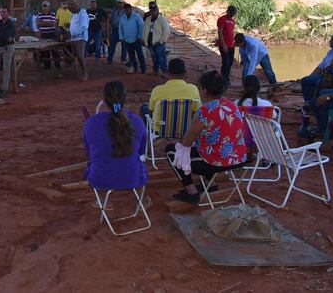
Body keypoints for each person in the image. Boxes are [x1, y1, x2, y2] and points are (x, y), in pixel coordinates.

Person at [165, 70, 248, 203]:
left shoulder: (204, 111)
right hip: (238, 157)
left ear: (203, 90)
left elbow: (186, 141)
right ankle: (210, 182)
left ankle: (191, 191)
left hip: (216, 163)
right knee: (208, 146)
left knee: (173, 150)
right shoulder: (232, 105)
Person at [82, 81, 148, 191]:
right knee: (138, 166)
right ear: (124, 98)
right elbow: (141, 152)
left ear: (105, 99)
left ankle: (105, 203)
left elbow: (90, 153)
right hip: (133, 177)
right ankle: (140, 202)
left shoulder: (91, 123)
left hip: (100, 178)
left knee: (95, 167)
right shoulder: (137, 121)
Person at [140, 58, 201, 129]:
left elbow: (151, 111)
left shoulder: (157, 90)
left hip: (160, 130)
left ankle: (147, 135)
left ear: (168, 73)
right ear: (185, 73)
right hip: (184, 129)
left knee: (144, 107)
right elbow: (197, 112)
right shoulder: (193, 89)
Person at [300, 33, 333, 107]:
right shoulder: (331, 51)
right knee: (306, 80)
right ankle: (309, 103)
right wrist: (311, 76)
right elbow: (321, 66)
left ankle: (314, 104)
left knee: (317, 82)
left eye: (332, 40)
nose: (330, 41)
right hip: (325, 74)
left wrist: (329, 70)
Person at [142, 1, 170, 77]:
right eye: (151, 10)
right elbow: (144, 30)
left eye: (154, 10)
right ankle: (155, 70)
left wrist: (162, 41)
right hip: (150, 42)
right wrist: (144, 40)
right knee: (154, 58)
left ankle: (164, 72)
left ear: (157, 9)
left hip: (159, 43)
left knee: (162, 58)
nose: (153, 12)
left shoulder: (162, 19)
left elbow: (166, 31)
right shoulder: (148, 19)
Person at [33, 1, 61, 69]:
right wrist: (48, 23)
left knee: (54, 50)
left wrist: (43, 23)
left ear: (49, 7)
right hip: (43, 35)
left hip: (52, 34)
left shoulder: (52, 14)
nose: (45, 8)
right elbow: (38, 24)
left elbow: (53, 23)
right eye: (44, 6)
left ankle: (57, 64)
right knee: (45, 51)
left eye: (46, 6)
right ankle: (47, 65)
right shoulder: (40, 15)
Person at [119, 3, 145, 74]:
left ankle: (143, 68)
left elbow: (141, 26)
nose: (127, 11)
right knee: (131, 55)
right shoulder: (122, 18)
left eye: (128, 10)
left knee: (140, 54)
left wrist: (140, 36)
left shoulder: (136, 16)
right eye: (125, 10)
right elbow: (120, 29)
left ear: (131, 9)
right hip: (127, 40)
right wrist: (121, 38)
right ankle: (135, 68)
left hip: (136, 39)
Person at [68, 0, 90, 81]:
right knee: (75, 56)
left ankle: (85, 74)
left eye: (70, 9)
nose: (70, 11)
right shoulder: (74, 14)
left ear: (74, 8)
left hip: (80, 38)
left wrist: (73, 33)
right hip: (74, 38)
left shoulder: (82, 14)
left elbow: (83, 27)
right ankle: (77, 72)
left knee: (80, 56)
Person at [216, 6, 237, 85]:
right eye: (231, 13)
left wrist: (234, 43)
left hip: (231, 45)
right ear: (227, 11)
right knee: (226, 63)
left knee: (230, 62)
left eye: (233, 14)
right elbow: (220, 32)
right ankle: (224, 80)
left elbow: (231, 32)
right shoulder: (221, 19)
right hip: (224, 45)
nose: (232, 15)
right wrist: (223, 44)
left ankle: (225, 77)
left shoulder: (232, 21)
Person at [106, 0, 127, 65]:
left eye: (120, 2)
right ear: (116, 3)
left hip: (123, 30)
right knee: (112, 45)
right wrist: (109, 30)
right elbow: (110, 21)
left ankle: (123, 59)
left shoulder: (125, 11)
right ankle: (110, 59)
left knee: (124, 46)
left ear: (122, 3)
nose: (119, 4)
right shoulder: (113, 10)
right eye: (118, 2)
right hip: (115, 30)